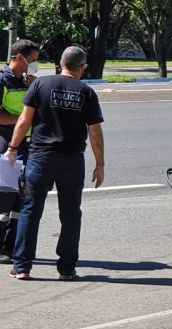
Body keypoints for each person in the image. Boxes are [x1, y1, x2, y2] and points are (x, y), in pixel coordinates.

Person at [4, 46, 105, 280]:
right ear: (83, 68)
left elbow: (24, 120)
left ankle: (21, 267)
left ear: (60, 63)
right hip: (71, 161)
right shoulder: (86, 92)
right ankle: (67, 269)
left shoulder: (41, 85)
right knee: (70, 214)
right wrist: (100, 164)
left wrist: (12, 148)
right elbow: (95, 132)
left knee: (30, 210)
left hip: (40, 158)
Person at [0, 39, 39, 265]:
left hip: (26, 145)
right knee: (5, 197)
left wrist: (34, 87)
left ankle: (11, 245)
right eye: (31, 61)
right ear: (18, 57)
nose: (33, 65)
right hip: (6, 144)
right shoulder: (2, 81)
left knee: (21, 198)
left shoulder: (27, 81)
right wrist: (22, 120)